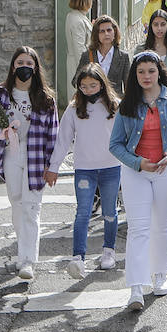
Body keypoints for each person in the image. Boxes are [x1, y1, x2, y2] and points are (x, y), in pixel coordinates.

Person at [109, 51, 167, 313]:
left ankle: (160, 274)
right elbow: (115, 145)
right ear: (134, 76)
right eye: (141, 72)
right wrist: (138, 162)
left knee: (161, 226)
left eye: (151, 71)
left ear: (160, 71)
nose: (146, 76)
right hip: (136, 172)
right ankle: (136, 287)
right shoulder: (128, 104)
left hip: (165, 170)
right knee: (138, 229)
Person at [0, 47, 59, 282]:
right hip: (11, 153)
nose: (24, 66)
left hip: (36, 155)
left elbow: (53, 134)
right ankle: (21, 249)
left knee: (31, 207)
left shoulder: (45, 99)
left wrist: (52, 165)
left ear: (35, 68)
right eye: (19, 62)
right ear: (13, 66)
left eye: (29, 62)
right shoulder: (1, 94)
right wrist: (1, 131)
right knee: (16, 202)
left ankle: (27, 260)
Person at [46, 63, 120, 278]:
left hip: (111, 167)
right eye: (84, 86)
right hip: (84, 169)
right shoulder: (73, 109)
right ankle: (78, 257)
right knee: (83, 213)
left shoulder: (115, 106)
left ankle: (109, 250)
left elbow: (127, 135)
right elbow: (63, 140)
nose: (88, 90)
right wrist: (54, 167)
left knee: (109, 212)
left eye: (93, 85)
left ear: (102, 84)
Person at [77, 15, 129, 96]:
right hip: (91, 102)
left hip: (114, 104)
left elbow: (128, 85)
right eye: (102, 31)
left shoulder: (123, 57)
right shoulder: (87, 55)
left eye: (109, 30)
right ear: (96, 35)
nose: (106, 34)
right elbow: (76, 81)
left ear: (114, 32)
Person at [65, 0, 94, 98]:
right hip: (78, 62)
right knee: (79, 93)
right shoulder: (77, 20)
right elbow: (79, 47)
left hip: (75, 59)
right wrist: (85, 68)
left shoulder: (74, 16)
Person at [143, 9, 167, 76]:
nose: (159, 28)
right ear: (151, 26)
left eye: (163, 24)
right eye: (155, 24)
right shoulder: (141, 49)